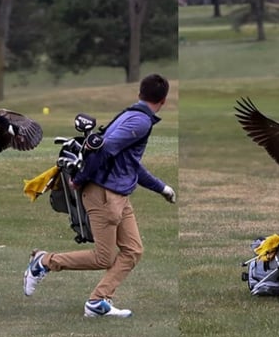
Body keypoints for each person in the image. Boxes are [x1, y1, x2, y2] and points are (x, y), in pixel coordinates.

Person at [23, 74, 177, 318]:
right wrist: (80, 179)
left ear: (139, 94)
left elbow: (130, 164)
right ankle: (43, 262)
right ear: (164, 100)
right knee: (103, 257)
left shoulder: (131, 115)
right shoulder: (140, 122)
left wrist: (161, 188)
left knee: (133, 251)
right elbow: (102, 150)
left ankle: (97, 301)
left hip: (119, 195)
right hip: (105, 194)